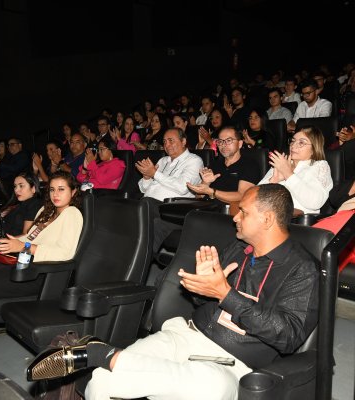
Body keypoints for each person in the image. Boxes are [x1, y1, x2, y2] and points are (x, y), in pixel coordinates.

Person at [27, 184, 320, 400]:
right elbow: (201, 299)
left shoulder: (301, 269)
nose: (234, 218)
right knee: (102, 382)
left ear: (267, 219)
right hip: (187, 335)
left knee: (213, 389)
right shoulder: (238, 248)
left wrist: (225, 294)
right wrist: (202, 286)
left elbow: (289, 336)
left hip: (234, 363)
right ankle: (105, 359)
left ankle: (100, 353)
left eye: (243, 212)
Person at [0, 171, 83, 345]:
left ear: (73, 192)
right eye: (52, 189)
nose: (55, 194)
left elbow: (65, 253)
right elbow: (28, 238)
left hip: (39, 274)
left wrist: (24, 247)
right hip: (21, 262)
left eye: (61, 189)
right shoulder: (46, 211)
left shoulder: (72, 214)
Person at [136, 127, 203, 252]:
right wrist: (146, 177)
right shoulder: (163, 160)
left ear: (183, 141)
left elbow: (183, 187)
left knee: (144, 206)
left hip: (173, 208)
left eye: (171, 140)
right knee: (135, 209)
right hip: (150, 205)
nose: (167, 144)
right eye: (165, 141)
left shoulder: (194, 161)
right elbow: (144, 189)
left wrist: (155, 174)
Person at [258, 125, 333, 214]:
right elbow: (255, 196)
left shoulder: (319, 166)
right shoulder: (282, 162)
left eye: (301, 143)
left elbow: (315, 202)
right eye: (293, 141)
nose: (293, 145)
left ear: (314, 149)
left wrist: (288, 174)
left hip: (297, 222)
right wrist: (273, 180)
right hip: (267, 215)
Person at [187, 126, 260, 208]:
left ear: (240, 144)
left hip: (230, 212)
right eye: (220, 141)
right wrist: (205, 183)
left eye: (229, 141)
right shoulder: (214, 164)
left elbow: (242, 195)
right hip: (208, 209)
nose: (223, 145)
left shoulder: (249, 164)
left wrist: (212, 192)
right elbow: (198, 197)